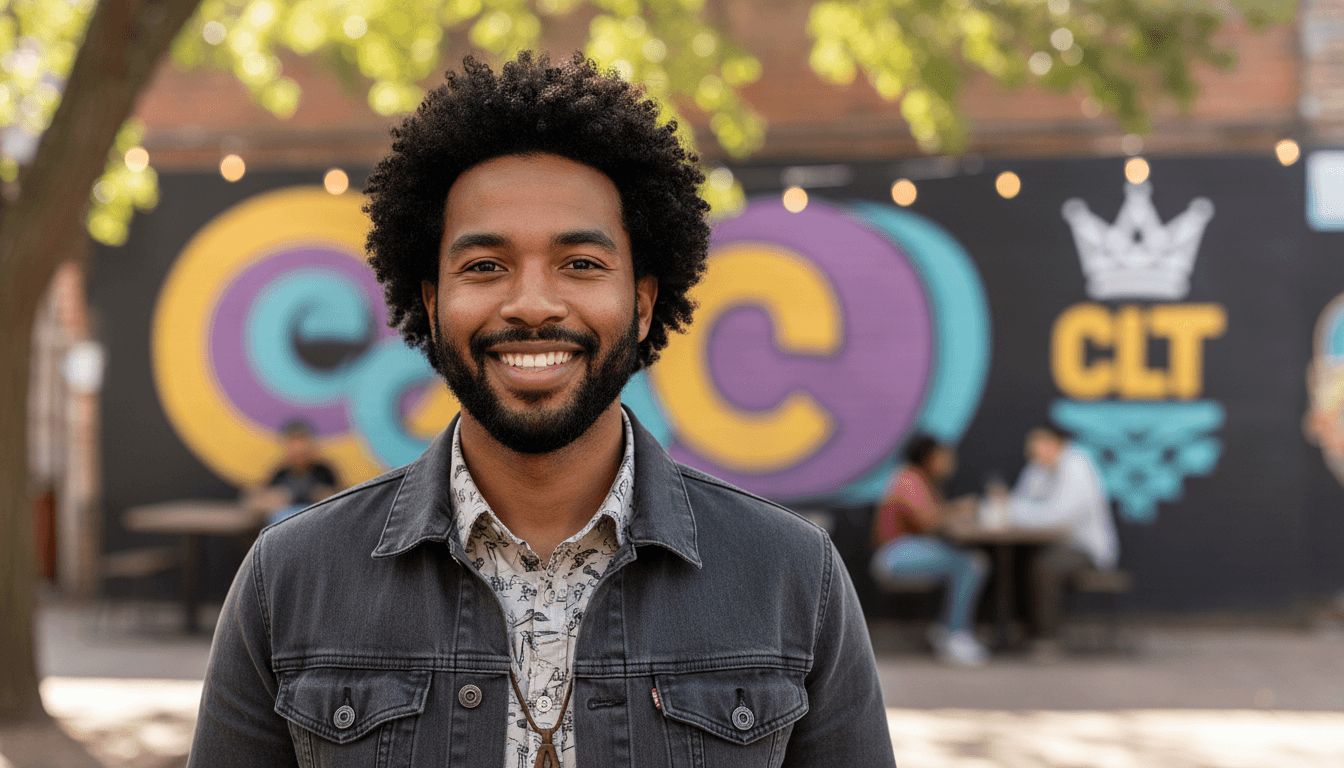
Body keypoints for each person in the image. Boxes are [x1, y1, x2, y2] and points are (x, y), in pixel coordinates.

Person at [189, 52, 895, 768]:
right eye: (485, 266)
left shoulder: (793, 577)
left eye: (581, 264)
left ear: (643, 305)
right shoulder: (291, 578)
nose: (530, 303)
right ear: (432, 304)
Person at [870, 435, 990, 666]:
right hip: (894, 555)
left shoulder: (923, 481)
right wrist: (960, 508)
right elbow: (929, 520)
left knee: (970, 563)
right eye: (944, 457)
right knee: (972, 564)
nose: (949, 463)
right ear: (929, 458)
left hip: (912, 550)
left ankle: (949, 629)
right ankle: (953, 633)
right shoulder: (908, 479)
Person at [997, 423, 1119, 643]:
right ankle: (1018, 630)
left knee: (1045, 565)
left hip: (1084, 550)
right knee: (1019, 559)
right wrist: (1016, 510)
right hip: (1052, 544)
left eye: (1037, 443)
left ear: (1055, 443)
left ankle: (1046, 638)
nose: (1032, 449)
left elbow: (1059, 516)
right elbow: (1016, 503)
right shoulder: (1036, 469)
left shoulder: (1077, 467)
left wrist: (1019, 512)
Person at [255, 419, 339, 524]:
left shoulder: (324, 471)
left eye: (302, 439)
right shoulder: (280, 474)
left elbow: (338, 501)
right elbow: (261, 503)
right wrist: (275, 499)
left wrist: (322, 495)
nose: (298, 447)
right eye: (293, 441)